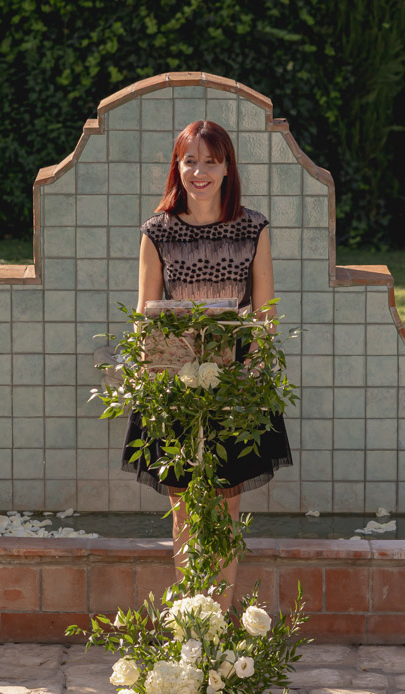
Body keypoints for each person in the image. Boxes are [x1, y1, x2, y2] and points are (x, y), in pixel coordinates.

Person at [121, 119, 292, 600]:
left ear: (226, 167)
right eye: (190, 160)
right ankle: (189, 619)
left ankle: (220, 614)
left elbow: (265, 314)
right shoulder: (157, 231)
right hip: (173, 382)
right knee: (182, 504)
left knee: (225, 502)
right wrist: (144, 374)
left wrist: (253, 375)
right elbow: (145, 313)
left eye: (210, 161)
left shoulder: (253, 228)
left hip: (234, 382)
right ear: (177, 167)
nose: (199, 171)